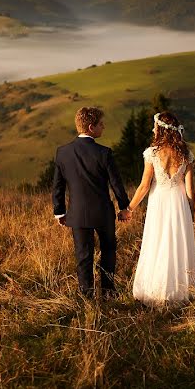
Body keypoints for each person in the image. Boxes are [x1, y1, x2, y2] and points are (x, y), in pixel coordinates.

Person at [52, 106, 131, 299]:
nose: (103, 127)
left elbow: (58, 186)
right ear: (90, 127)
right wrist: (124, 207)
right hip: (103, 213)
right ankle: (108, 292)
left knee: (83, 256)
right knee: (109, 251)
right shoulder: (104, 153)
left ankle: (86, 295)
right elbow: (116, 183)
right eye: (100, 124)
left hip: (77, 214)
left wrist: (59, 212)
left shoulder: (63, 152)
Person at [126, 112, 195, 306]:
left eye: (155, 126)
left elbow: (144, 186)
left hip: (159, 202)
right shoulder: (186, 154)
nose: (152, 129)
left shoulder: (152, 153)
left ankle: (155, 289)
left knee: (157, 242)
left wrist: (129, 208)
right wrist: (191, 212)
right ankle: (178, 290)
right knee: (176, 244)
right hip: (179, 204)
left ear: (162, 129)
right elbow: (190, 189)